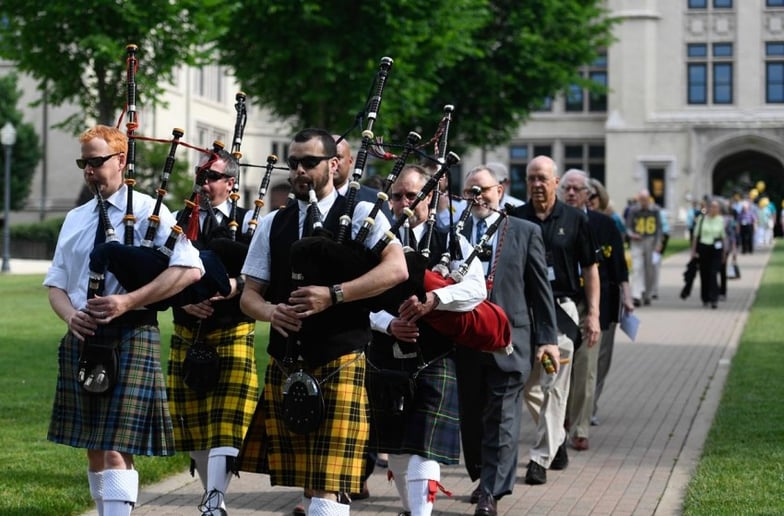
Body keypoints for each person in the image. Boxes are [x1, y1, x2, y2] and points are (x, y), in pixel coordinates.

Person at [238, 128, 408, 516]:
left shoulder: (362, 213)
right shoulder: (272, 224)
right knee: (312, 483)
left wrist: (334, 294)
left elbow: (396, 269)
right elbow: (250, 295)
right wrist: (270, 312)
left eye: (309, 162)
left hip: (340, 358)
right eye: (294, 162)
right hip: (287, 361)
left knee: (330, 483)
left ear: (333, 164)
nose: (299, 170)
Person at [44, 125, 204, 516]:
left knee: (115, 447)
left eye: (96, 161)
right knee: (94, 447)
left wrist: (128, 301)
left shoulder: (152, 211)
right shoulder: (76, 218)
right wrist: (70, 317)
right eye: (84, 162)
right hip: (83, 337)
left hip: (130, 334)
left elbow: (190, 268)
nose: (88, 170)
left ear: (120, 160)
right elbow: (57, 283)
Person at [365, 164, 486, 516]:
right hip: (386, 357)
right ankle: (412, 508)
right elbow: (357, 301)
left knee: (424, 447)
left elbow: (476, 290)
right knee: (399, 450)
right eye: (397, 196)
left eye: (412, 195)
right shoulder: (374, 242)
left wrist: (437, 299)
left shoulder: (452, 240)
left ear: (429, 197)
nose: (403, 203)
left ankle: (420, 513)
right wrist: (389, 325)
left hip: (435, 356)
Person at [455, 165, 558, 516]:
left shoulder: (525, 232)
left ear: (500, 190)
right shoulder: (455, 231)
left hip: (510, 340)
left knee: (502, 415)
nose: (477, 197)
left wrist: (548, 338)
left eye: (483, 189)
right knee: (471, 415)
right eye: (470, 191)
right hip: (467, 340)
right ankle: (483, 476)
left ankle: (490, 493)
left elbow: (540, 292)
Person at [166, 148, 258, 516]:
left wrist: (233, 286)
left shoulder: (250, 220)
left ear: (231, 182)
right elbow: (162, 272)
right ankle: (213, 498)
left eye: (212, 177)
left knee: (226, 426)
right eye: (200, 176)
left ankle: (214, 504)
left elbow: (261, 273)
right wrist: (184, 300)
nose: (204, 184)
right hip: (188, 332)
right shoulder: (176, 219)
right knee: (195, 429)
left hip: (231, 330)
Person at [510, 156, 600, 486]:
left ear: (555, 181)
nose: (536, 184)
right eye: (531, 178)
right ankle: (557, 439)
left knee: (554, 385)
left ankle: (539, 458)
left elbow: (591, 270)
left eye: (542, 178)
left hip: (562, 313)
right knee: (528, 386)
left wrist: (593, 314)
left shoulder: (576, 220)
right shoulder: (515, 218)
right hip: (525, 314)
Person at [559, 170, 633, 450]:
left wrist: (626, 297)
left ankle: (581, 427)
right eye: (567, 188)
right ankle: (563, 417)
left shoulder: (605, 224)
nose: (572, 193)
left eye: (578, 189)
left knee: (587, 366)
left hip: (594, 304)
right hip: (561, 302)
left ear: (589, 194)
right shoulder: (553, 222)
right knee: (562, 365)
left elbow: (617, 268)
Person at [587, 179, 634, 426]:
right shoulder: (572, 220)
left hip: (607, 296)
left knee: (602, 355)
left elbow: (619, 266)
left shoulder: (610, 224)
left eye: (592, 197)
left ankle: (591, 404)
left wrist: (627, 296)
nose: (588, 201)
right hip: (580, 296)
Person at [625, 189, 662, 307]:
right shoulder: (633, 210)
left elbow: (659, 229)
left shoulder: (655, 210)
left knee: (649, 269)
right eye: (641, 200)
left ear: (649, 199)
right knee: (637, 267)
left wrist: (658, 244)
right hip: (637, 242)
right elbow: (628, 227)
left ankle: (647, 294)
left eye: (645, 200)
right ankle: (636, 295)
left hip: (650, 242)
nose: (643, 202)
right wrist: (632, 234)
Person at [691, 198, 726, 309]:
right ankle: (705, 297)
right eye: (712, 207)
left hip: (716, 249)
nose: (714, 209)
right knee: (704, 273)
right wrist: (693, 251)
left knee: (713, 273)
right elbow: (696, 236)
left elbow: (723, 237)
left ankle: (714, 298)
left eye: (716, 207)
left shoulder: (720, 220)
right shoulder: (702, 219)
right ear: (708, 208)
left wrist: (724, 252)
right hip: (704, 248)